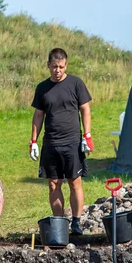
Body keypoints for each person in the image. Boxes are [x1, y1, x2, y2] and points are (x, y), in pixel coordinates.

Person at [30, 47, 94, 236]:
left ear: (66, 65)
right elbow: (38, 115)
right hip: (51, 142)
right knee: (53, 184)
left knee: (75, 182)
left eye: (61, 67)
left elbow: (85, 110)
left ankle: (76, 222)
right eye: (54, 67)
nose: (58, 70)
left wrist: (87, 136)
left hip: (72, 142)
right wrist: (33, 141)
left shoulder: (76, 84)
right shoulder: (43, 88)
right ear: (48, 65)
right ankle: (59, 224)